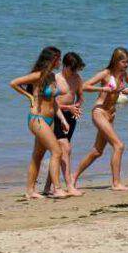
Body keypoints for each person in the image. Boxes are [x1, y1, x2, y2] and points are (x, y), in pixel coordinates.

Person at [9, 47, 72, 199]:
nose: (60, 61)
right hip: (37, 119)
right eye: (58, 58)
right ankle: (57, 188)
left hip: (49, 120)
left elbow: (53, 102)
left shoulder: (51, 76)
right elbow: (14, 83)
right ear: (51, 59)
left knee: (37, 156)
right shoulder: (38, 75)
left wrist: (62, 119)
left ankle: (30, 191)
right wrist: (29, 97)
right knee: (57, 151)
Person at [73, 48, 128, 191]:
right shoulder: (105, 74)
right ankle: (116, 183)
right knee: (119, 146)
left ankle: (72, 177)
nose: (126, 65)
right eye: (124, 62)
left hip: (111, 114)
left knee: (97, 151)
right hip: (99, 112)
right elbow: (84, 86)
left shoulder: (123, 74)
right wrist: (103, 89)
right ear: (116, 61)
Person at [42, 52, 84, 196]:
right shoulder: (56, 78)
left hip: (71, 117)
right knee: (65, 148)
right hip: (56, 116)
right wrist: (69, 108)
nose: (74, 72)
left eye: (77, 69)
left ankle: (48, 187)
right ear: (65, 66)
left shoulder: (77, 78)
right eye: (73, 69)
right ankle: (69, 185)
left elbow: (80, 97)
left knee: (60, 152)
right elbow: (54, 103)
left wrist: (77, 106)